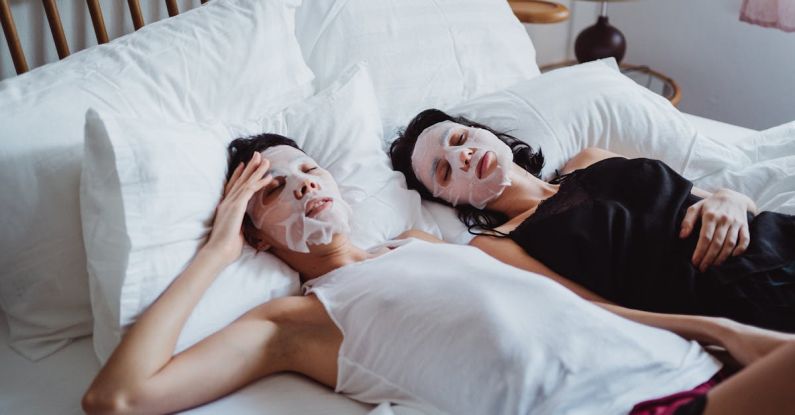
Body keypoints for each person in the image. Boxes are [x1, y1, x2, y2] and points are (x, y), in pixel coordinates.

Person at [82, 134, 795, 415]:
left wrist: (719, 330)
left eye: (307, 167)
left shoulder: (428, 239)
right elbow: (116, 398)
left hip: (700, 361)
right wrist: (215, 252)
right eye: (272, 190)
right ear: (254, 229)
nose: (302, 186)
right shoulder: (290, 324)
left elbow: (588, 307)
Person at [389, 109, 795, 333]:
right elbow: (601, 312)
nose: (460, 156)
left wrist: (733, 198)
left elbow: (712, 199)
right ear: (449, 199)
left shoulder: (590, 159)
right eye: (443, 171)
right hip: (739, 296)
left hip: (775, 235)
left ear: (484, 133)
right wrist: (722, 335)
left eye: (459, 139)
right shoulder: (500, 244)